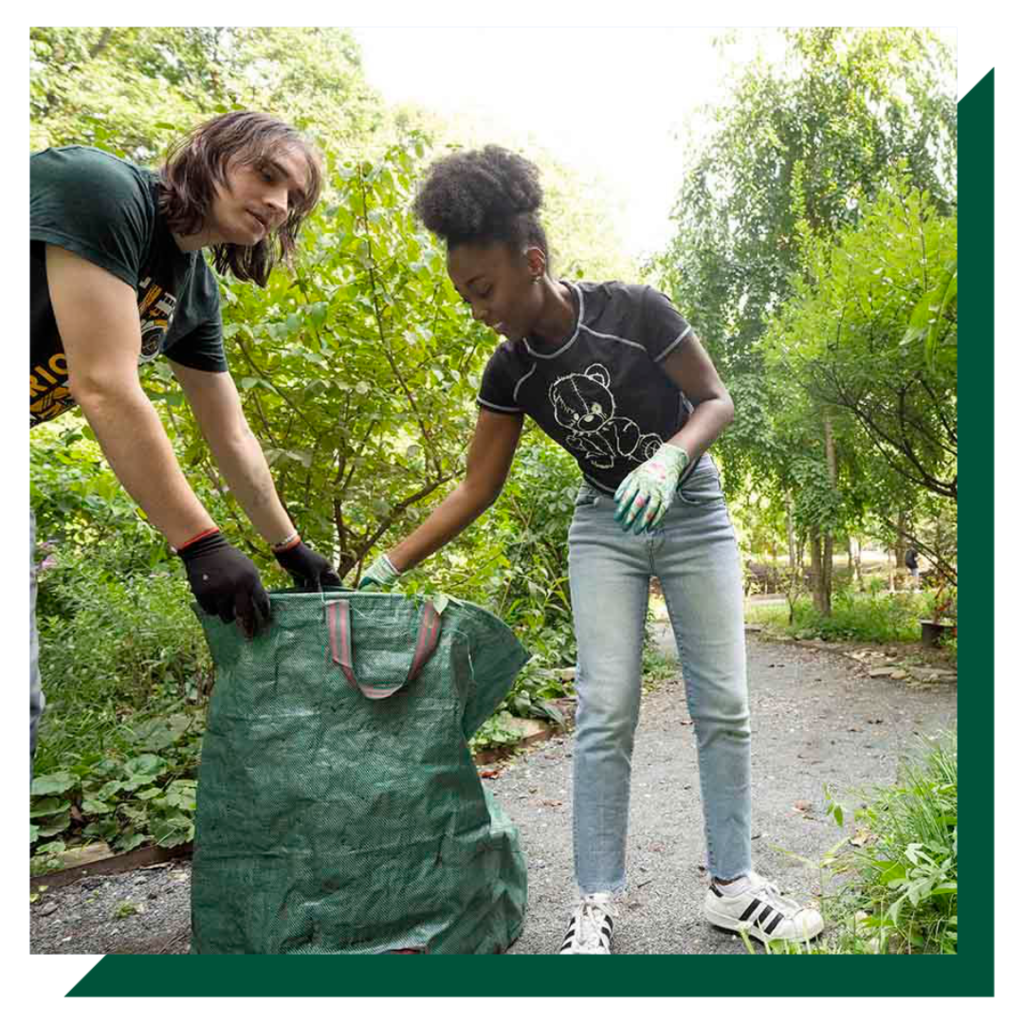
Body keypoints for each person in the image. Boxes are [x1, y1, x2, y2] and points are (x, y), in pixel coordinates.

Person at [358, 145, 823, 953]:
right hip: (605, 523)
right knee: (606, 710)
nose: (476, 309)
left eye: (483, 289)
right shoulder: (508, 372)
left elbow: (716, 400)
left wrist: (670, 459)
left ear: (532, 261)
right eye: (464, 295)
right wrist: (389, 564)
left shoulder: (636, 311)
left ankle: (735, 887)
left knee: (724, 705)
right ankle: (595, 903)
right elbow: (475, 488)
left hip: (692, 511)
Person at [28, 112, 341, 797]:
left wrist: (290, 548)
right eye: (267, 175)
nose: (277, 203)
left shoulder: (193, 292)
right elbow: (104, 385)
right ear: (211, 154)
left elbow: (231, 434)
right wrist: (201, 543)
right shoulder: (101, 191)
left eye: (293, 197)